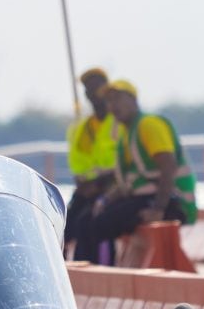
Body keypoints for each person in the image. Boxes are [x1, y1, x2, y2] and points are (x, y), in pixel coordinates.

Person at [75, 79, 197, 263]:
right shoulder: (127, 133)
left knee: (98, 225)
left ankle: (98, 276)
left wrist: (158, 209)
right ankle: (86, 276)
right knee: (86, 220)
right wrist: (105, 200)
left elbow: (168, 165)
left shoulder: (148, 125)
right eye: (109, 101)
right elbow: (130, 181)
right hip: (144, 197)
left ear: (133, 100)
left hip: (172, 202)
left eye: (117, 98)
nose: (113, 105)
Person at [65, 67, 120, 260]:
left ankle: (99, 268)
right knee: (61, 226)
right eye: (88, 89)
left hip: (113, 189)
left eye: (97, 87)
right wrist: (83, 185)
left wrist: (99, 184)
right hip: (86, 190)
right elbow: (78, 164)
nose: (93, 93)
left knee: (89, 222)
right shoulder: (81, 129)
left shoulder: (119, 123)